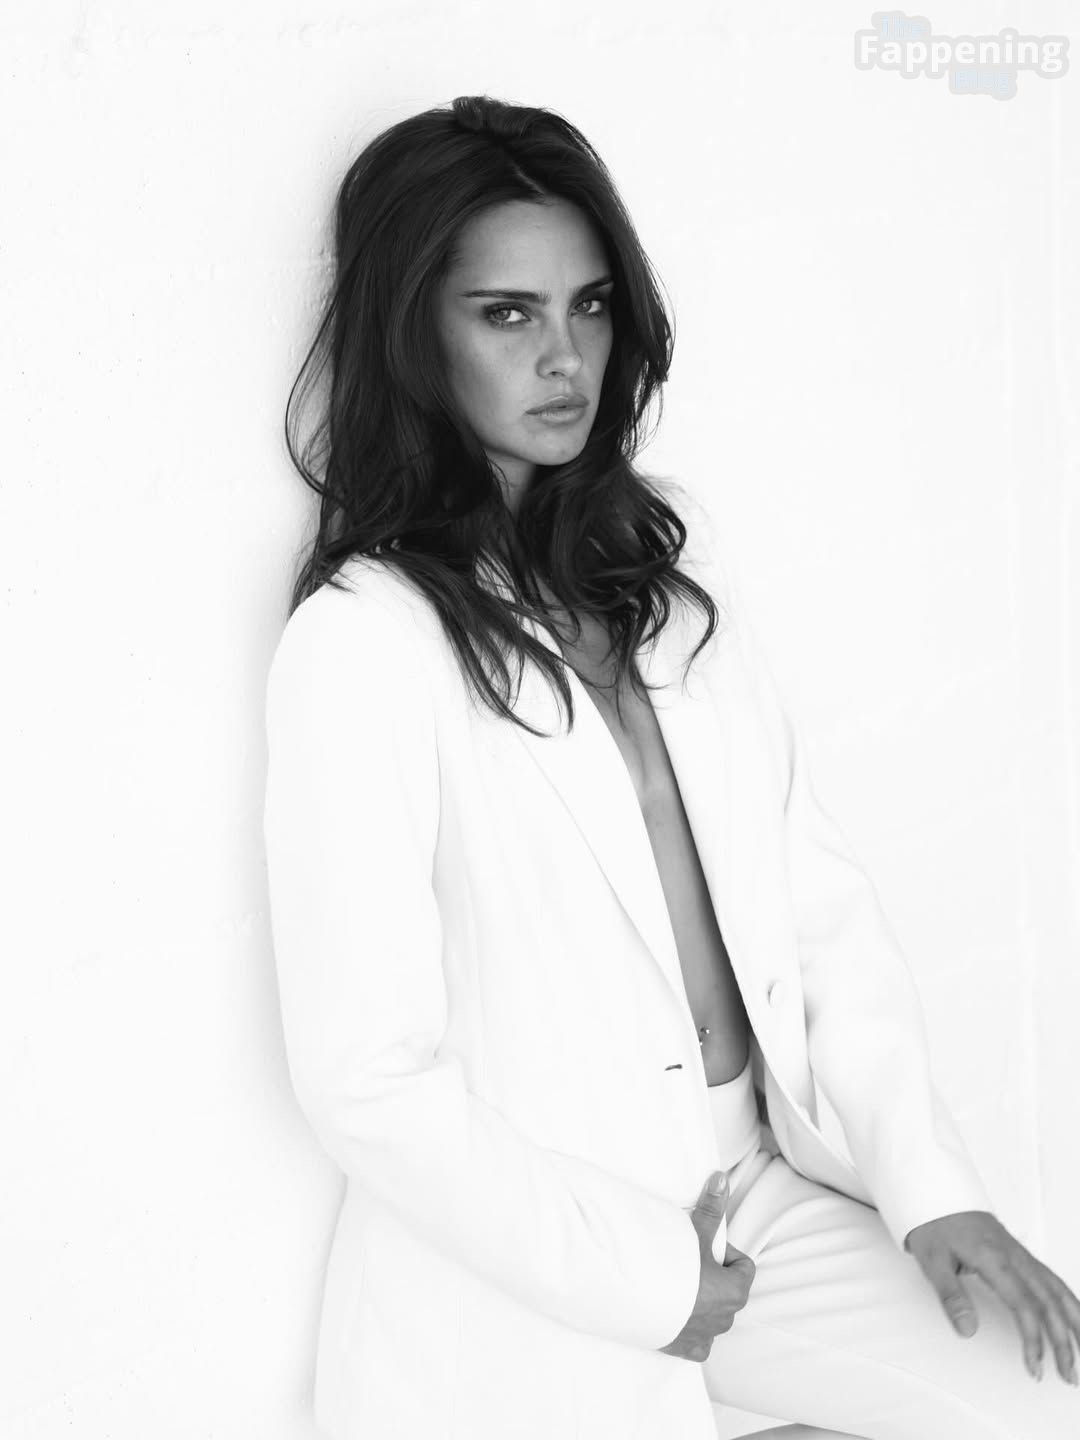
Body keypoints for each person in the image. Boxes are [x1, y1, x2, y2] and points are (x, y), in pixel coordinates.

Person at [261, 94, 1080, 1440]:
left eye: (588, 307)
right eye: (506, 314)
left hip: (754, 1185)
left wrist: (933, 1189)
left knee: (1044, 1402)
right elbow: (366, 1076)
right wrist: (648, 1282)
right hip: (541, 1246)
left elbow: (817, 909)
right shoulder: (365, 643)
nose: (564, 356)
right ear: (414, 337)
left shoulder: (664, 587)